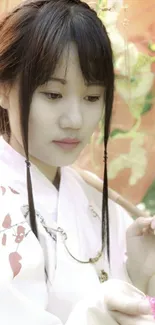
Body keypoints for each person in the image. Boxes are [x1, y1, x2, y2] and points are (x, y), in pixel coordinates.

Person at [0, 0, 155, 324]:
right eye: (53, 95)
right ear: (3, 88)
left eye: (92, 97)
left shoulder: (105, 207)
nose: (74, 120)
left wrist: (137, 273)